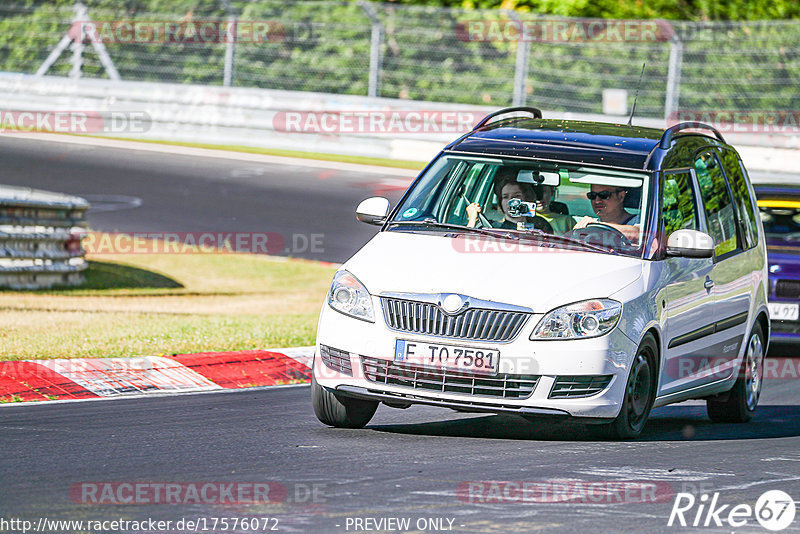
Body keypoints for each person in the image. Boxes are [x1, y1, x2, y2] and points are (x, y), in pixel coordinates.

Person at [465, 171, 552, 232]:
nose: (511, 201)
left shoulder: (541, 226)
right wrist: (472, 220)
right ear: (500, 202)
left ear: (527, 198)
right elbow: (466, 243)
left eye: (516, 196)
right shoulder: (491, 227)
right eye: (505, 197)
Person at [573, 184, 640, 243]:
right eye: (592, 196)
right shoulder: (591, 226)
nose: (597, 201)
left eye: (604, 195)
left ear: (621, 196)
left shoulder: (641, 221)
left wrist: (597, 227)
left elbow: (637, 234)